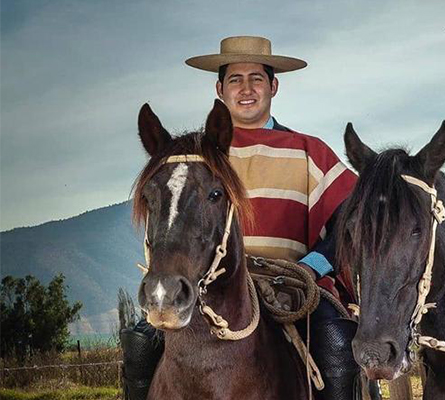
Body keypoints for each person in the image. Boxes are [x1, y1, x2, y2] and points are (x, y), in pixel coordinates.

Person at [121, 36, 360, 400]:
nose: (246, 89)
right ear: (220, 89)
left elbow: (352, 222)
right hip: (208, 282)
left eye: (256, 78)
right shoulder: (195, 159)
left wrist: (312, 267)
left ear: (273, 86)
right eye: (235, 79)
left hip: (291, 284)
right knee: (141, 342)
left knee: (335, 340)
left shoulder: (308, 150)